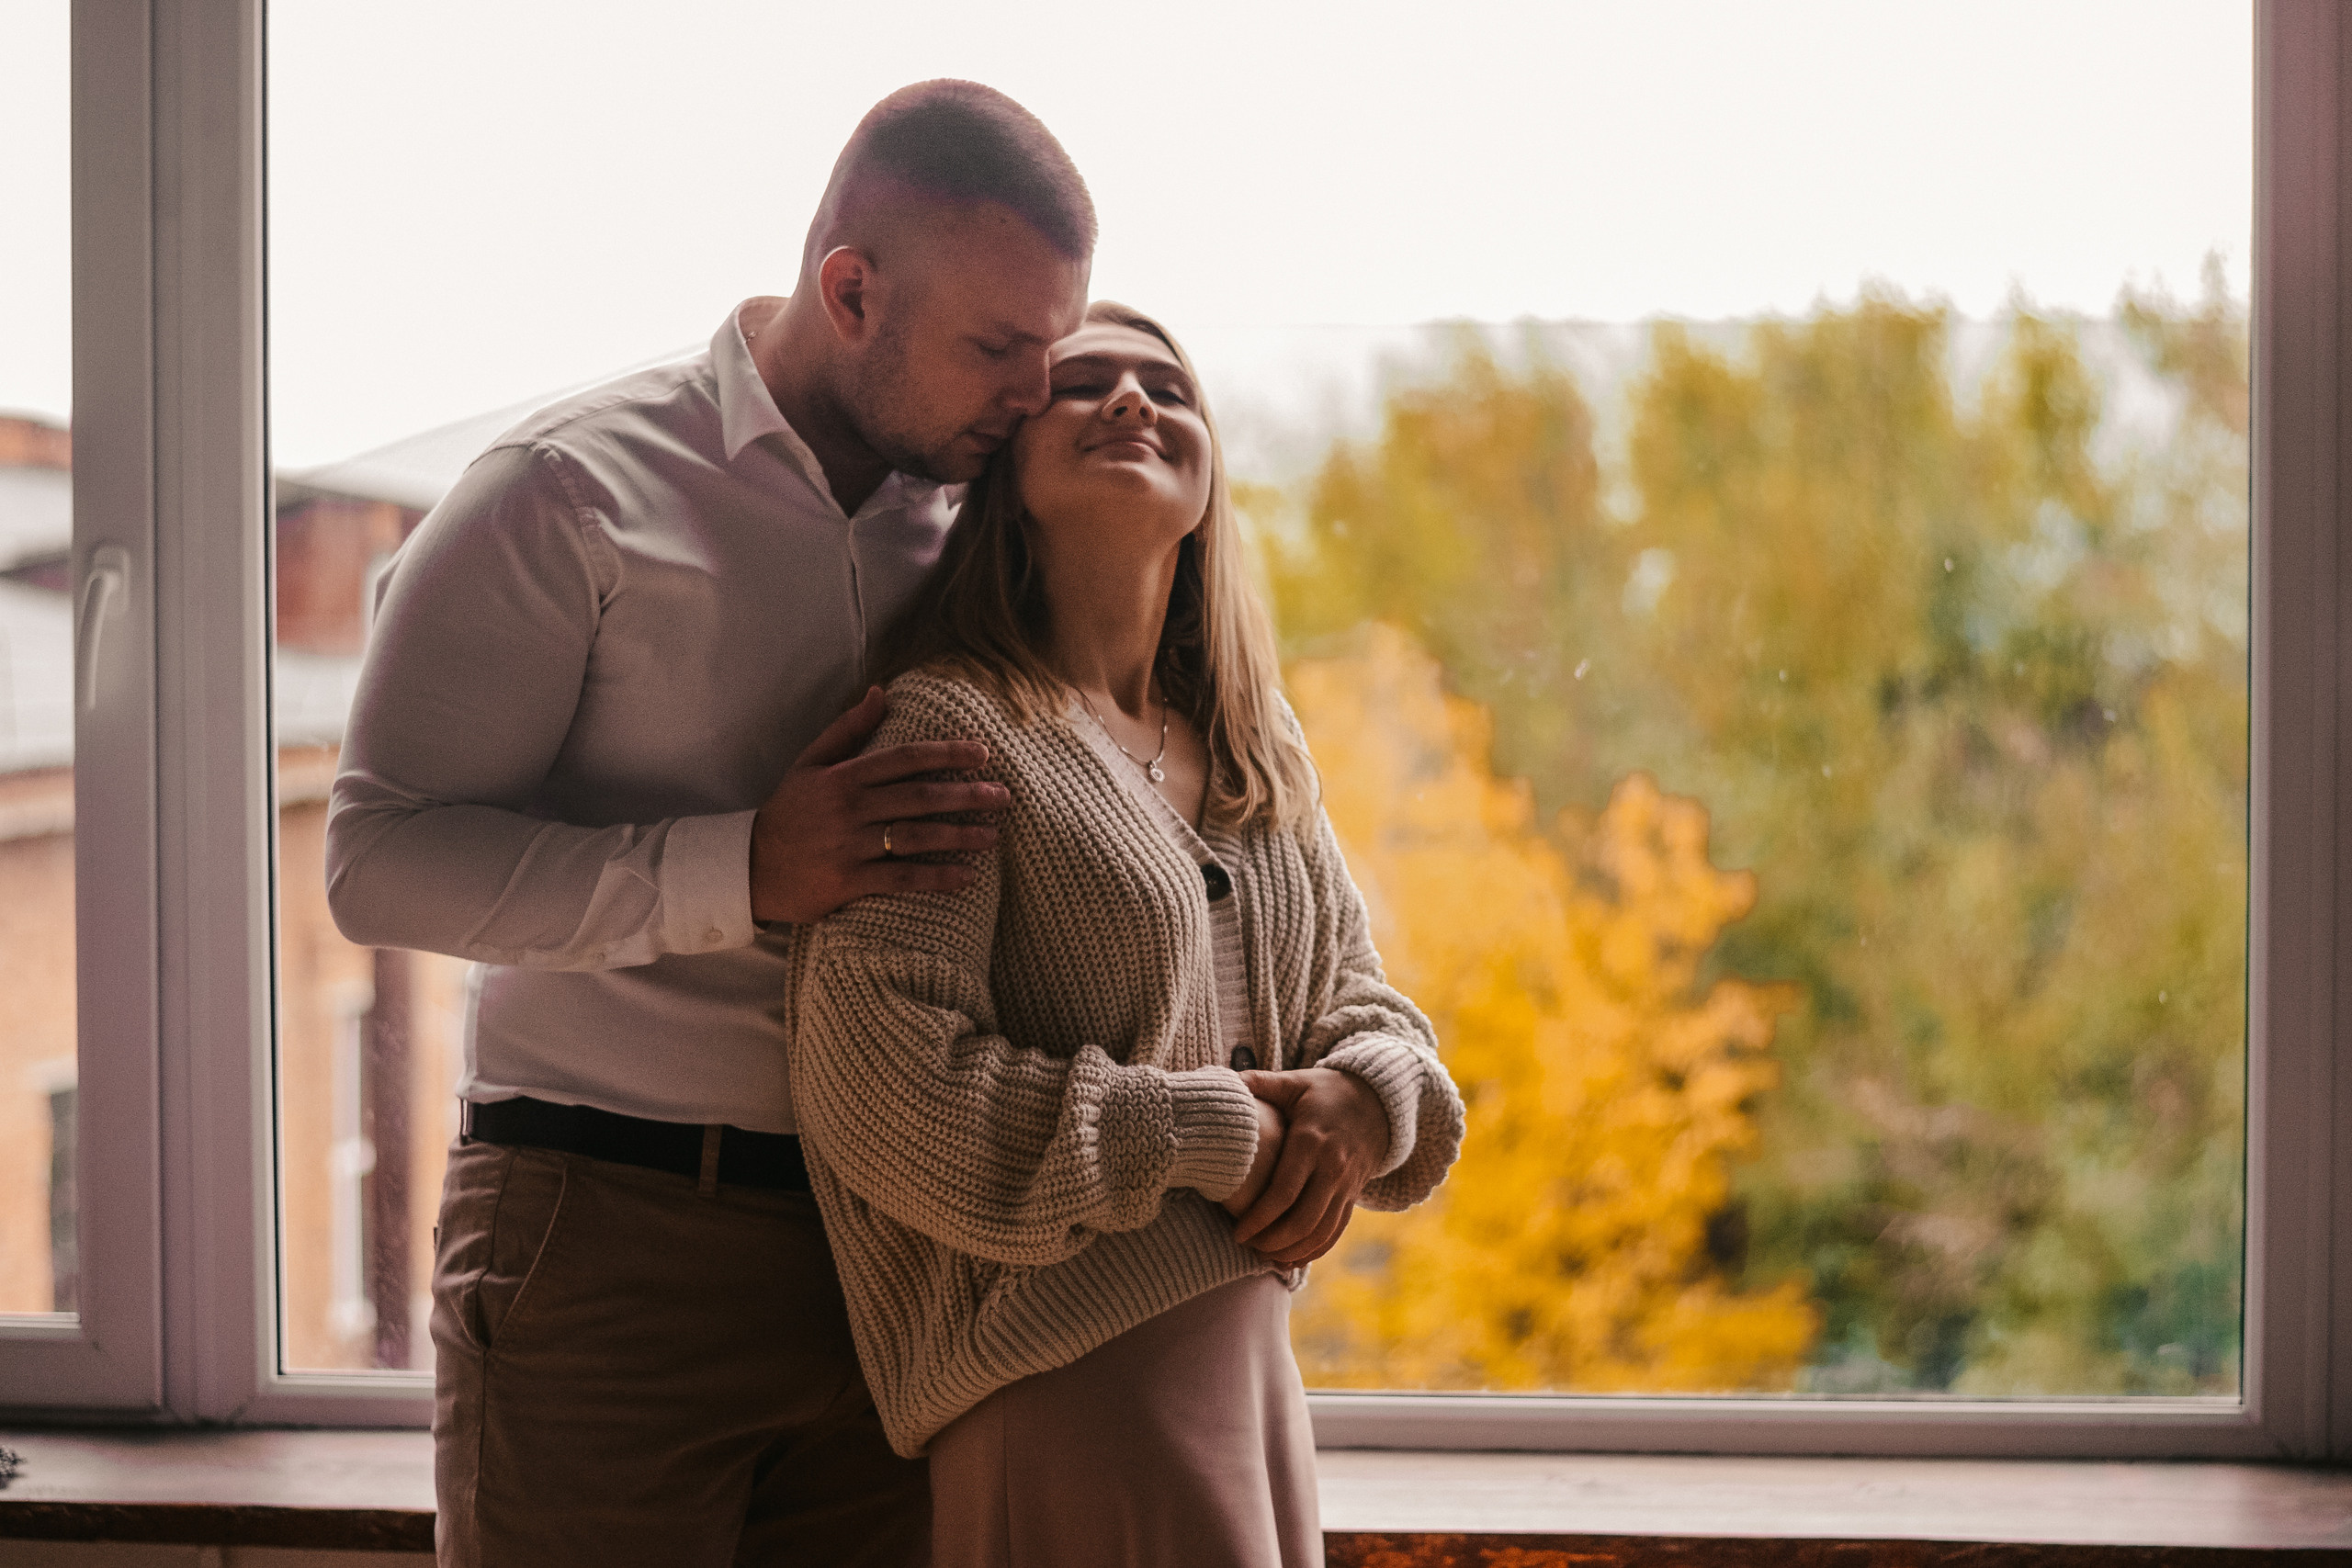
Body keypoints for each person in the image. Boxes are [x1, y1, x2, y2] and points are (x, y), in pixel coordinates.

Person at [324, 82, 1093, 1568]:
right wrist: (744, 869)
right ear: (852, 291)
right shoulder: (564, 498)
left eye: (1054, 343)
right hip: (607, 1243)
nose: (1033, 391)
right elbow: (376, 860)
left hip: (899, 1260)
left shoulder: (986, 519)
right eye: (998, 347)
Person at [787, 301, 1467, 1568]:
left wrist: (1364, 1105)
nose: (1133, 400)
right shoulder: (948, 731)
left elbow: (1378, 1021)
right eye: (1081, 381)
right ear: (1006, 479)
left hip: (1250, 1380)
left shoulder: (1259, 758)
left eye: (1168, 385)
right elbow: (883, 1088)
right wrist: (1210, 1130)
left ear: (1208, 484)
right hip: (1062, 1392)